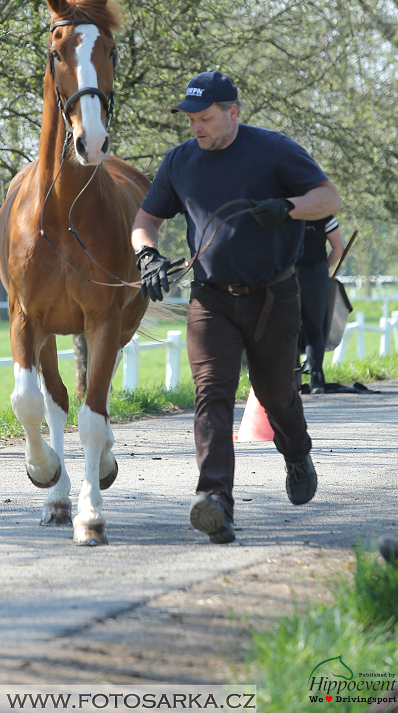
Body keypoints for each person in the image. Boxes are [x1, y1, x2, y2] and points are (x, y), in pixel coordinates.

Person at [131, 70, 341, 545]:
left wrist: (287, 207)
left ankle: (296, 450)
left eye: (205, 118)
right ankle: (215, 502)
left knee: (275, 393)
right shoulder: (180, 161)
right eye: (190, 119)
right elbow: (147, 217)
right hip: (210, 299)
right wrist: (146, 253)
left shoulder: (274, 149)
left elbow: (329, 197)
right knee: (212, 395)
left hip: (273, 296)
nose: (196, 127)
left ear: (233, 113)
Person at [297, 216, 344, 394]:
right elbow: (338, 247)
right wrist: (322, 268)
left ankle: (291, 379)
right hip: (314, 276)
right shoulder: (323, 215)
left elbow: (338, 247)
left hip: (291, 274)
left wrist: (322, 268)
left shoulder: (284, 210)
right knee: (314, 328)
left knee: (298, 328)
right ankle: (316, 379)